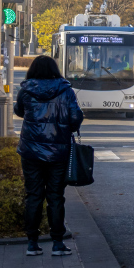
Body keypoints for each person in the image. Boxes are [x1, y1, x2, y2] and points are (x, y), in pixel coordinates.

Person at [14, 55, 83, 257]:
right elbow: (76, 117)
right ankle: (57, 243)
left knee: (33, 195)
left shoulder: (26, 89)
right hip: (58, 151)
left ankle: (32, 244)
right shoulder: (66, 90)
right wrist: (67, 128)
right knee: (55, 196)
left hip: (30, 151)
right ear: (55, 69)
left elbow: (19, 111)